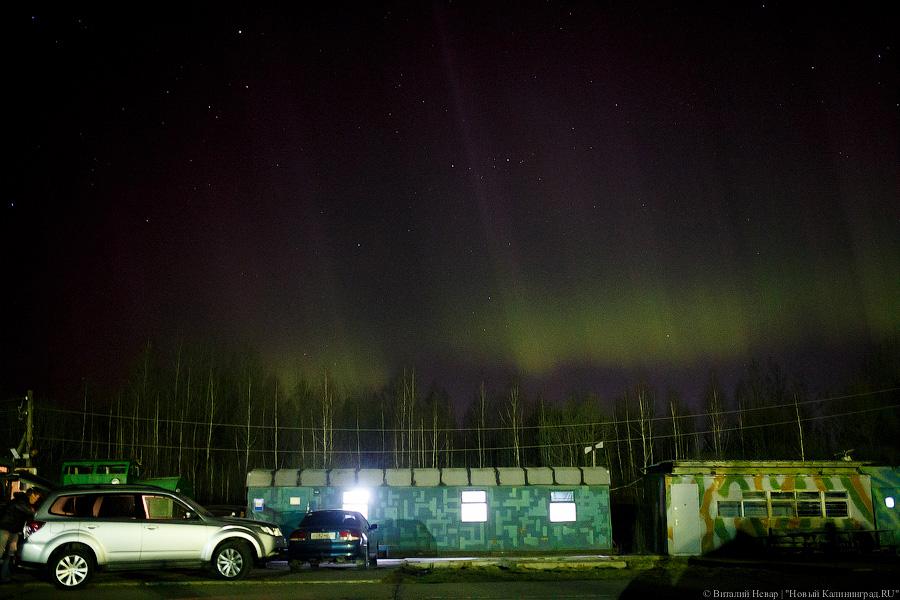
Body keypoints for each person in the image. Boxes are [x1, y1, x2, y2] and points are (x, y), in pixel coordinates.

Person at [0, 487, 40, 583]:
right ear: (32, 494)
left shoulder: (25, 502)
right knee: (1, 552)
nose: (36, 500)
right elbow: (29, 512)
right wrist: (34, 512)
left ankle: (4, 576)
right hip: (5, 528)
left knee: (11, 553)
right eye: (36, 498)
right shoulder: (21, 500)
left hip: (13, 530)